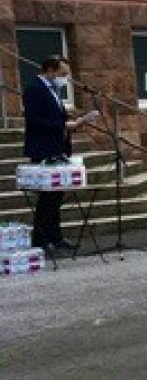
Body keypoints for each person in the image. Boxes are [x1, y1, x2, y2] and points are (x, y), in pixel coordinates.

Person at [24, 57, 83, 255]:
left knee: (57, 196)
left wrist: (73, 122)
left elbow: (57, 116)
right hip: (43, 149)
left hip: (58, 148)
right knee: (47, 197)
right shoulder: (35, 88)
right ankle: (40, 239)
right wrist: (62, 125)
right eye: (62, 74)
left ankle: (55, 237)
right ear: (50, 70)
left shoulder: (53, 90)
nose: (65, 78)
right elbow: (34, 119)